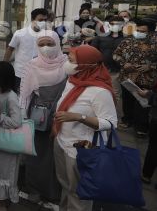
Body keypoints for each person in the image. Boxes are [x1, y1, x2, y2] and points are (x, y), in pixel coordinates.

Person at [53, 45, 117, 211]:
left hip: (81, 150)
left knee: (79, 193)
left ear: (87, 65)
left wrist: (78, 117)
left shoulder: (99, 91)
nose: (67, 63)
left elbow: (110, 123)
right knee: (66, 186)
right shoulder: (73, 79)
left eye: (71, 60)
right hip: (61, 142)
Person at [18, 34, 67, 203]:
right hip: (39, 118)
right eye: (42, 44)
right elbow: (24, 95)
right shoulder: (31, 65)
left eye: (50, 43)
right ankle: (34, 188)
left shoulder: (67, 64)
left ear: (58, 43)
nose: (46, 47)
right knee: (37, 154)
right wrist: (23, 118)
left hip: (63, 116)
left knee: (58, 156)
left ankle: (53, 192)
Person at [113, 18, 157, 137]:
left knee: (143, 104)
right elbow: (116, 55)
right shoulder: (127, 41)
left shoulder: (155, 43)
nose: (138, 32)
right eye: (137, 30)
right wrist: (123, 63)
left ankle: (141, 127)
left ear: (151, 33)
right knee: (127, 101)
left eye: (142, 31)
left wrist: (150, 66)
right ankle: (127, 120)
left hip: (146, 80)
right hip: (127, 78)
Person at [0, 61, 22, 211]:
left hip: (7, 141)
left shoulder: (11, 96)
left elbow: (17, 121)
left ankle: (0, 203)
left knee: (4, 171)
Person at [4, 8, 59, 90]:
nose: (43, 22)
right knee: (19, 97)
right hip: (21, 72)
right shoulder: (20, 33)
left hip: (39, 73)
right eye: (40, 20)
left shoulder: (47, 35)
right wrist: (5, 66)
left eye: (45, 20)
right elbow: (10, 49)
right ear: (33, 20)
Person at [90, 16, 125, 112]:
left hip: (117, 71)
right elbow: (92, 52)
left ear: (123, 25)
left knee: (115, 94)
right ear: (109, 25)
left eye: (118, 24)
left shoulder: (127, 39)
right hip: (100, 70)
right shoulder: (100, 37)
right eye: (113, 24)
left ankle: (111, 115)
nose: (115, 26)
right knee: (98, 91)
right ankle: (97, 112)